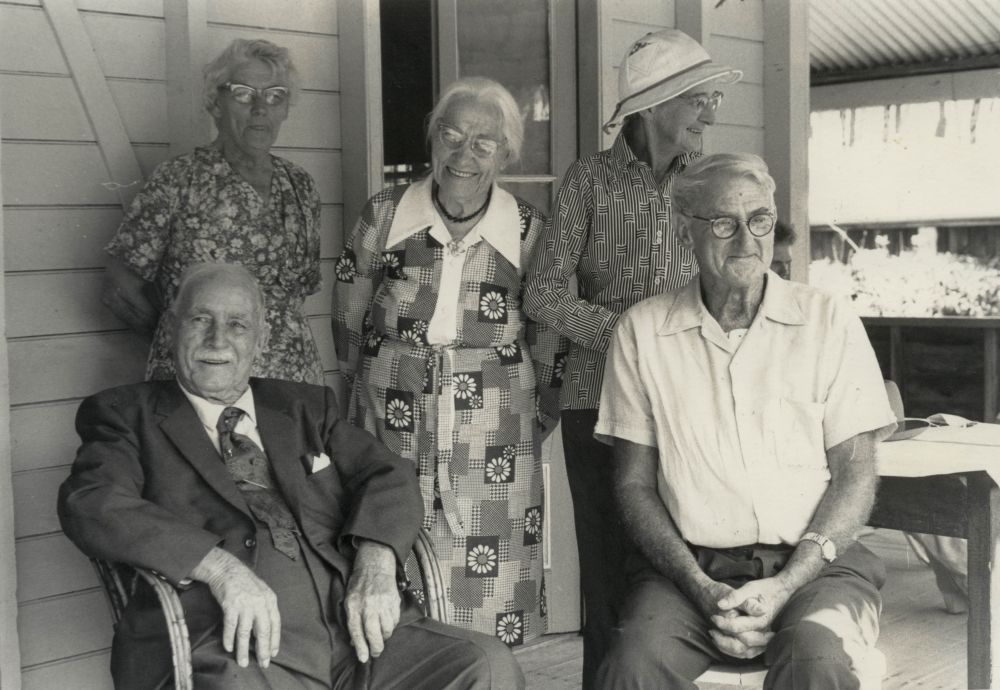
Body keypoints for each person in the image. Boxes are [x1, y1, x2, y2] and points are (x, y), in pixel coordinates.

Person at [59, 263, 523, 690]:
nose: (218, 340)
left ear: (261, 340)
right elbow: (92, 502)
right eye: (200, 319)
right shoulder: (126, 415)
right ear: (171, 328)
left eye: (238, 325)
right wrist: (220, 569)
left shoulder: (304, 406)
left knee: (484, 665)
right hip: (233, 647)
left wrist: (377, 561)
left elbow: (388, 472)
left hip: (361, 636)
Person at [593, 154, 899, 689]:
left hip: (818, 565)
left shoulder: (827, 321)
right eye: (723, 223)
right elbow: (633, 484)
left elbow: (856, 473)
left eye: (759, 220)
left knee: (817, 654)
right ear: (684, 231)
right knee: (633, 664)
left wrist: (785, 585)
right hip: (689, 571)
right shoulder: (642, 331)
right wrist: (698, 584)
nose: (745, 240)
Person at [522, 28, 742, 685]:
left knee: (687, 567)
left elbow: (736, 286)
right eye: (698, 98)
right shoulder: (589, 180)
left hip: (693, 403)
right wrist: (632, 334)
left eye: (711, 98)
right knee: (607, 573)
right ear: (651, 106)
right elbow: (542, 293)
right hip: (600, 402)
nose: (710, 113)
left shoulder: (711, 184)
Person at [333, 77, 562, 648]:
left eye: (484, 143)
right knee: (388, 552)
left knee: (490, 575)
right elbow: (349, 311)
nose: (464, 155)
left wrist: (537, 414)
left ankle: (489, 675)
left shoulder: (529, 229)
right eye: (451, 136)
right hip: (392, 412)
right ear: (432, 138)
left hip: (495, 429)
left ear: (506, 153)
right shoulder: (385, 214)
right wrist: (363, 392)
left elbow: (548, 334)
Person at [102, 38, 324, 385]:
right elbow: (120, 288)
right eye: (243, 94)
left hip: (290, 380)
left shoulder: (300, 185)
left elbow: (299, 291)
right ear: (215, 102)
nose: (260, 108)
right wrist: (179, 338)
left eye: (274, 95)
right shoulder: (178, 179)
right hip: (202, 379)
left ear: (285, 108)